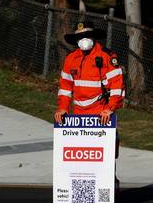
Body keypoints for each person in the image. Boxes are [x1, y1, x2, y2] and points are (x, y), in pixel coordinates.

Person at [53, 21, 125, 187]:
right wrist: (63, 108)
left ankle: (109, 186)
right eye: (80, 37)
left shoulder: (108, 57)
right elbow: (65, 87)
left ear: (93, 37)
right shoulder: (71, 59)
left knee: (105, 154)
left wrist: (110, 109)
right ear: (76, 40)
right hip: (78, 115)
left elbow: (117, 86)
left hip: (101, 114)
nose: (84, 40)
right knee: (82, 155)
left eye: (87, 36)